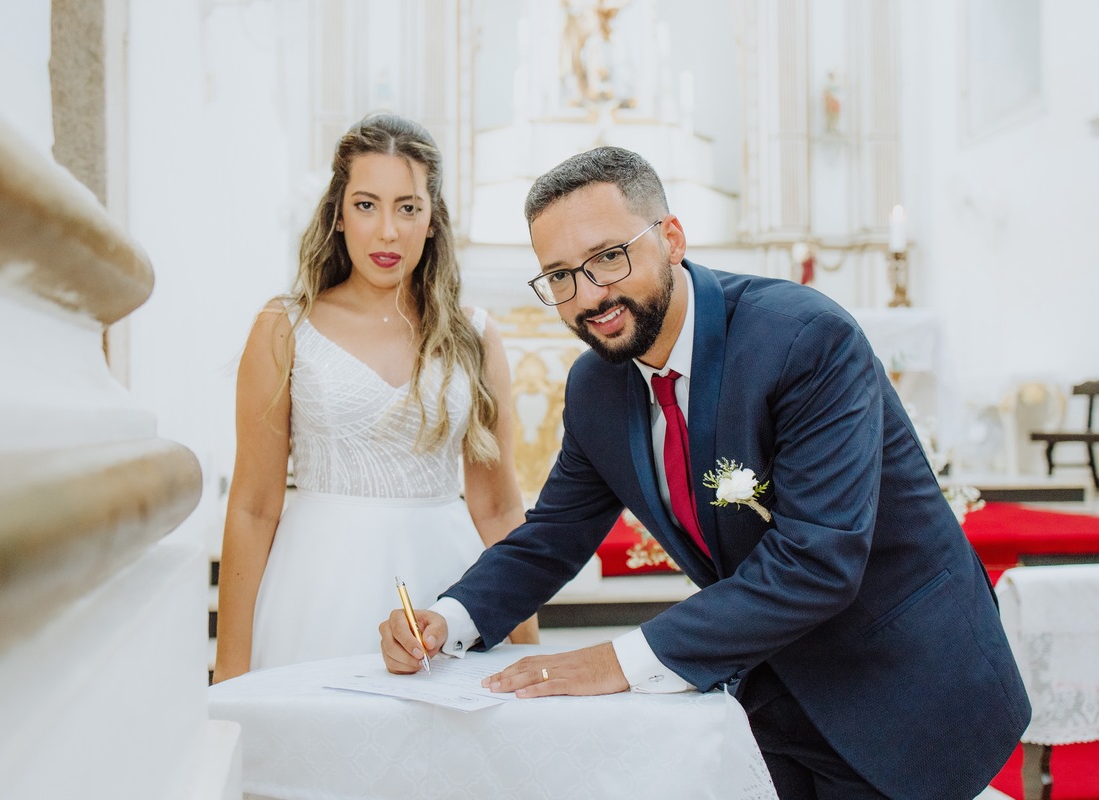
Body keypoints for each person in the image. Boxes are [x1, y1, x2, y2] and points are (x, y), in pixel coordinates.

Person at [380, 146, 1030, 799]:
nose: (590, 295)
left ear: (670, 238)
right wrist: (449, 619)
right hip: (770, 691)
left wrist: (618, 661)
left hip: (901, 682)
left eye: (609, 257)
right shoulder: (597, 385)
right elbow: (553, 536)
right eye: (560, 276)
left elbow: (819, 559)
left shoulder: (804, 339)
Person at [213, 114, 537, 683]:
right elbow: (253, 507)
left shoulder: (474, 337)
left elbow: (499, 509)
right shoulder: (284, 328)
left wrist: (526, 651)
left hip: (447, 587)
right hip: (313, 594)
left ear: (433, 219)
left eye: (408, 207)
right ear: (338, 214)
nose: (388, 231)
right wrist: (230, 672)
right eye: (367, 205)